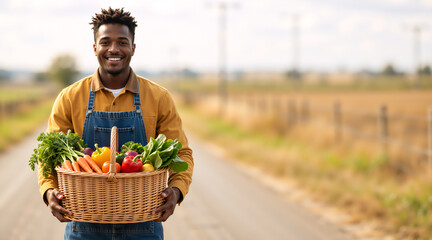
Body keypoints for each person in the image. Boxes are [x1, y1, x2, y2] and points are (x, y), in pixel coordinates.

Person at [37, 7, 194, 240]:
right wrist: (48, 190)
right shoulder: (70, 97)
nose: (113, 49)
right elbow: (47, 155)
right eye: (105, 42)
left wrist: (177, 191)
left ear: (133, 48)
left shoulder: (158, 97)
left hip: (144, 224)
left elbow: (182, 152)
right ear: (94, 48)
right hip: (84, 224)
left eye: (122, 42)